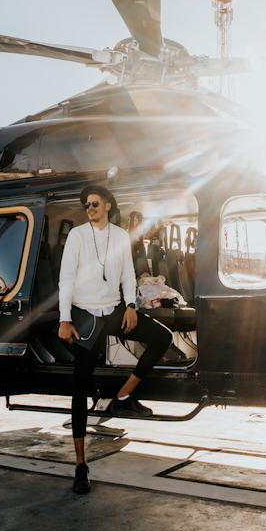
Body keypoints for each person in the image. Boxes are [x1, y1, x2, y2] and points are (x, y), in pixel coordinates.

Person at [57, 184, 172, 494]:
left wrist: (132, 305)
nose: (90, 208)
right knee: (80, 387)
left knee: (162, 337)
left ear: (108, 205)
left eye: (95, 203)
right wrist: (64, 319)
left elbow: (126, 275)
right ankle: (81, 465)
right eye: (86, 205)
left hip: (116, 312)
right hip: (86, 317)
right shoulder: (78, 237)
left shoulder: (120, 236)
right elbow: (65, 277)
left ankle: (123, 395)